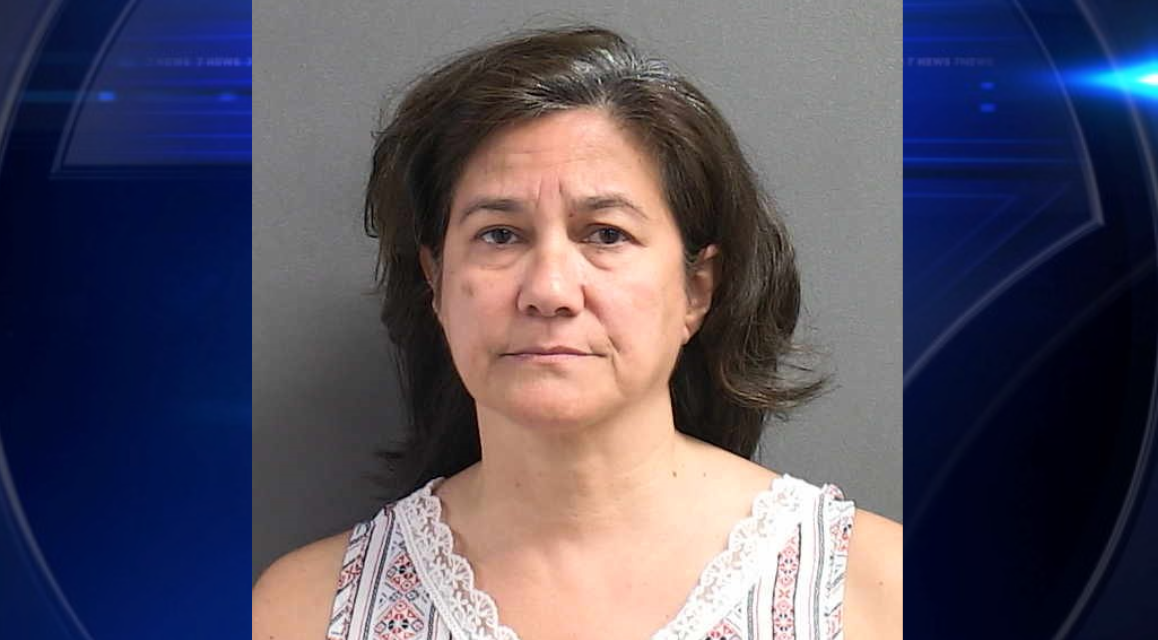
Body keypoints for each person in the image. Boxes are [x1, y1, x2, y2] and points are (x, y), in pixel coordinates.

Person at [253, 25, 902, 640]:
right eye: (499, 235)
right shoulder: (305, 611)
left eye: (606, 235)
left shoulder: (876, 591)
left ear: (697, 289)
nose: (550, 290)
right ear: (436, 281)